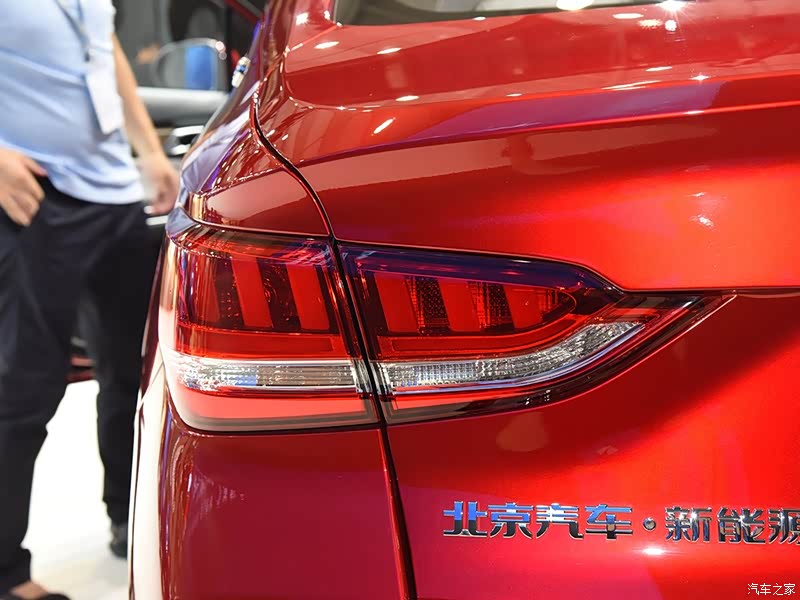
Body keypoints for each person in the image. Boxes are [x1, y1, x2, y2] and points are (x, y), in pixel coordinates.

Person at [0, 1, 179, 598]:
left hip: (114, 192)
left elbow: (105, 51)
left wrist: (147, 148)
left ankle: (127, 517)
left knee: (132, 373)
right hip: (34, 197)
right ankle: (6, 575)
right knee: (22, 390)